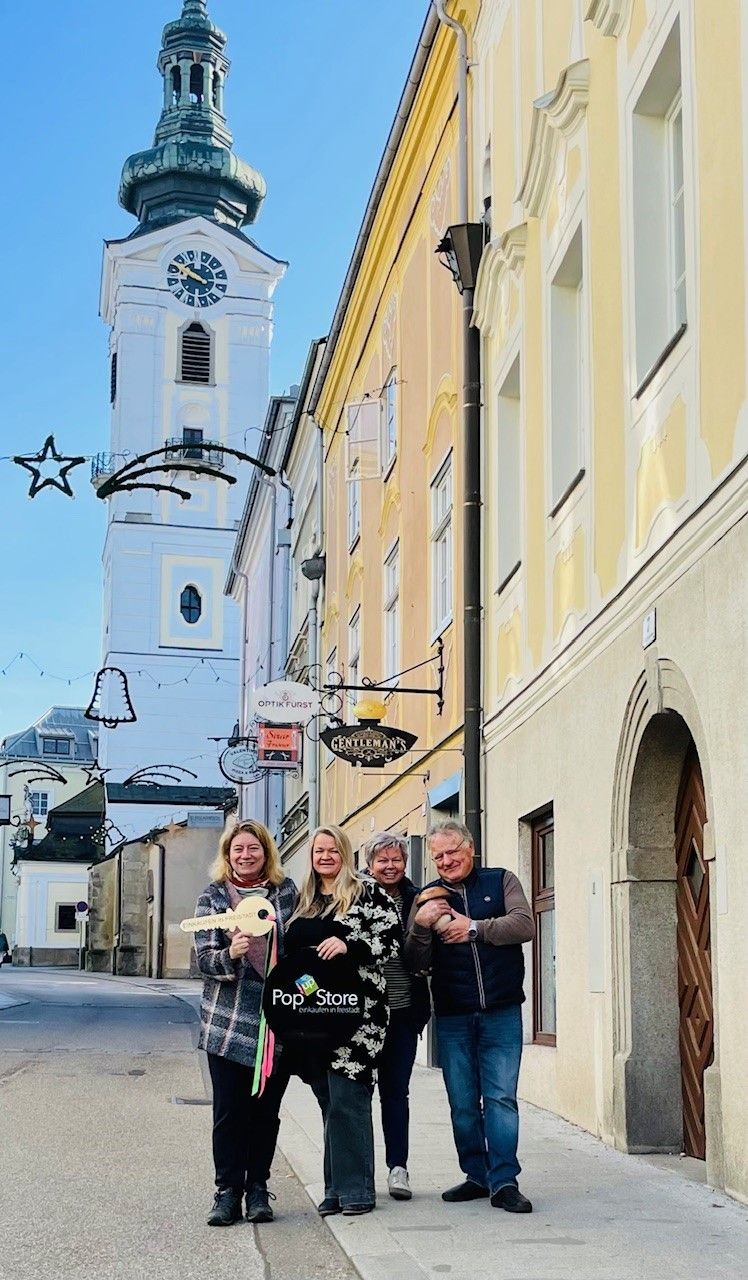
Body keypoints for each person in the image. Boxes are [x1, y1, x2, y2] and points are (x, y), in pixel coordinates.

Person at [404, 819, 535, 1213]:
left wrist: (473, 928)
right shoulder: (426, 897)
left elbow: (524, 925)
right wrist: (423, 926)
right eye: (438, 856)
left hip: (501, 1010)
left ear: (470, 848)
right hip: (453, 1014)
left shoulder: (500, 881)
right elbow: (413, 958)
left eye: (452, 852)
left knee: (500, 1098)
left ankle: (504, 1181)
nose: (446, 861)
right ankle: (477, 1176)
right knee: (462, 1103)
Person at [284, 825, 400, 1216]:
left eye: (333, 849)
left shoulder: (367, 892)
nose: (326, 856)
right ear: (311, 856)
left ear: (345, 853)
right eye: (319, 850)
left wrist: (350, 944)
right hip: (311, 1014)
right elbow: (291, 956)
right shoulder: (306, 900)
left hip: (357, 1015)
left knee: (349, 1099)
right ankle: (334, 1188)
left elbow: (391, 938)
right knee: (329, 1102)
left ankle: (356, 1191)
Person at [194, 819, 297, 1228]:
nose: (245, 855)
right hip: (228, 1022)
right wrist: (231, 954)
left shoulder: (285, 893)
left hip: (275, 1023)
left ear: (266, 852)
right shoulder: (214, 898)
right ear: (227, 855)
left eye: (253, 848)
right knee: (229, 1112)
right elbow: (203, 960)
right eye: (238, 849)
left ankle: (258, 1189)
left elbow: (298, 948)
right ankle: (226, 1192)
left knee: (265, 1112)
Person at [363, 833, 430, 1202]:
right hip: (360, 1016)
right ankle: (359, 1170)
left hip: (403, 1013)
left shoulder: (418, 898)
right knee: (357, 1094)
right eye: (382, 861)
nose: (390, 866)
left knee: (395, 1093)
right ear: (370, 865)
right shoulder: (354, 896)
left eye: (396, 860)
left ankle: (397, 1168)